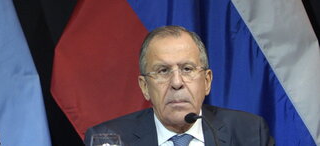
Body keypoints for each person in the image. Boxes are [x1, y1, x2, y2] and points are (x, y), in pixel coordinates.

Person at [84, 25, 274, 146]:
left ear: (207, 81)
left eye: (187, 69)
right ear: (145, 87)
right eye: (163, 71)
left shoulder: (249, 133)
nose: (176, 83)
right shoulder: (109, 139)